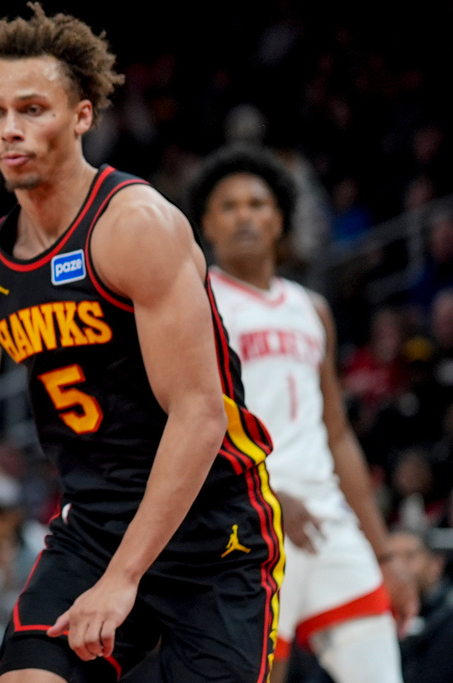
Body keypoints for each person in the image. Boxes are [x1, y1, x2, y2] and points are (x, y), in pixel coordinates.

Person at [0, 5, 284, 682]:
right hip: (93, 526)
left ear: (83, 115)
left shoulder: (136, 227)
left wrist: (124, 577)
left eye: (32, 108)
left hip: (211, 527)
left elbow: (199, 415)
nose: (10, 129)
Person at [190, 142, 419, 683]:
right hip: (249, 521)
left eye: (257, 204)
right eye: (229, 206)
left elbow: (337, 434)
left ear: (280, 220)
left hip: (330, 521)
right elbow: (189, 423)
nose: (244, 215)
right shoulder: (198, 305)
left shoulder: (311, 308)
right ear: (207, 224)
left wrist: (384, 555)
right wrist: (264, 495)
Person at [389, 527, 453, 683]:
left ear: (436, 565)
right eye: (391, 558)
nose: (398, 566)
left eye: (409, 556)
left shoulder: (448, 622)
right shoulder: (375, 620)